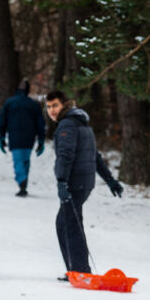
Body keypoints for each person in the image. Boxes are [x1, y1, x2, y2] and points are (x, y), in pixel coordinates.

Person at [45, 90, 124, 277]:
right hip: (84, 182)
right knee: (70, 222)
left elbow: (66, 155)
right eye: (48, 107)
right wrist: (110, 180)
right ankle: (78, 269)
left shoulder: (67, 125)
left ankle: (79, 271)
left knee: (67, 224)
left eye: (55, 105)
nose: (52, 110)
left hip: (74, 182)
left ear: (64, 104)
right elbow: (94, 156)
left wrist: (62, 181)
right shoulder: (81, 123)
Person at [0, 78, 46, 197]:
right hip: (29, 137)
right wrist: (41, 139)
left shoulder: (9, 103)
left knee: (18, 160)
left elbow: (2, 121)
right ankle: (23, 182)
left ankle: (22, 181)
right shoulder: (33, 104)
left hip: (15, 136)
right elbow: (40, 123)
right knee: (25, 160)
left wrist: (2, 137)